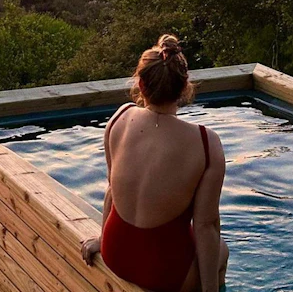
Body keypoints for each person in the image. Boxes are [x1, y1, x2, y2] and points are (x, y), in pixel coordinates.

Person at [80, 35, 229, 292]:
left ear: (140, 83)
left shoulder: (120, 118)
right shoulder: (206, 143)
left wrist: (103, 240)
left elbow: (111, 191)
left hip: (116, 252)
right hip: (163, 271)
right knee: (222, 252)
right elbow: (206, 226)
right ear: (184, 88)